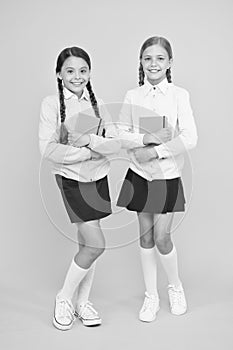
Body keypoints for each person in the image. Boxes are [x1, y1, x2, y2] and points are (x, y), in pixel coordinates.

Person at [117, 36, 198, 322]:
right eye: (148, 58)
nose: (154, 63)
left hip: (166, 175)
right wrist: (144, 139)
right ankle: (151, 295)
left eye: (160, 58)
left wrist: (156, 152)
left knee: (163, 237)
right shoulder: (132, 96)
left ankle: (175, 286)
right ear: (141, 62)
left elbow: (190, 137)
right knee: (146, 235)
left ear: (170, 63)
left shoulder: (179, 95)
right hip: (139, 174)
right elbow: (120, 134)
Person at [39, 46, 120, 330]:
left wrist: (90, 143)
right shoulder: (51, 104)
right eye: (70, 71)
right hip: (71, 179)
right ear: (59, 73)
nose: (77, 76)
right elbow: (48, 150)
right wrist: (89, 151)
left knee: (87, 244)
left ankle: (82, 303)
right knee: (97, 244)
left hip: (98, 178)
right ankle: (64, 297)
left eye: (83, 71)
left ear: (89, 73)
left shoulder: (97, 105)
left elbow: (113, 144)